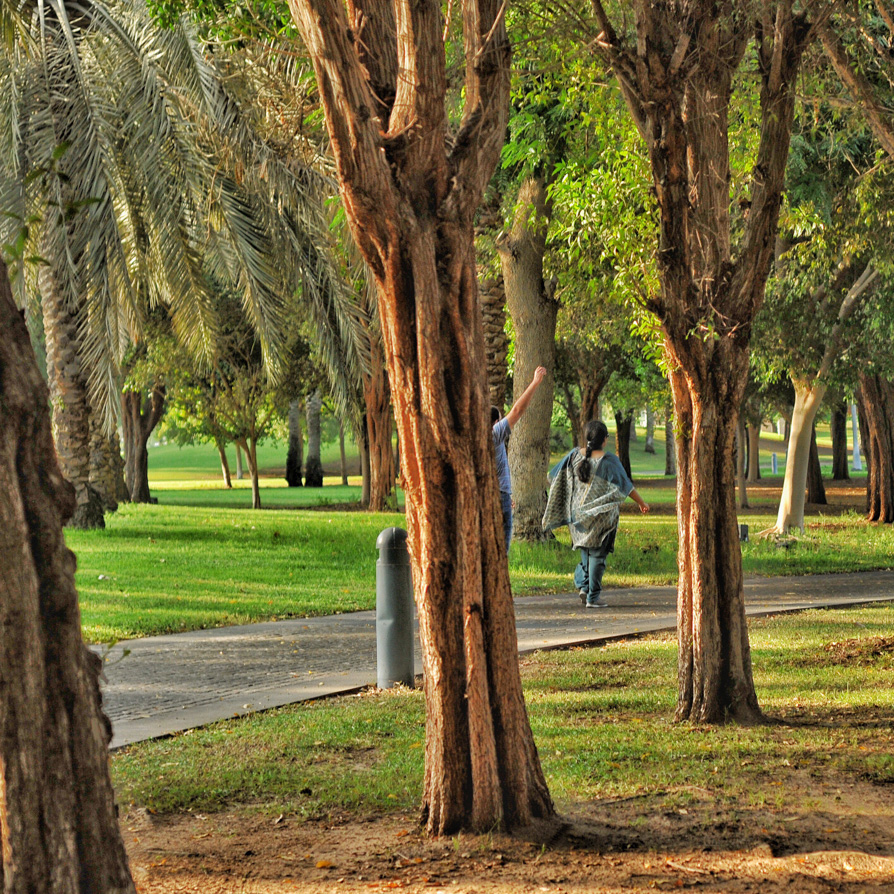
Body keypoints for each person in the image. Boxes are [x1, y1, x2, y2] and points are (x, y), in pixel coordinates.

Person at [542, 419, 649, 607]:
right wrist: (641, 503)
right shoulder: (609, 461)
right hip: (602, 517)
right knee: (598, 556)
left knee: (585, 553)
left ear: (587, 437)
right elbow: (626, 486)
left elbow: (554, 477)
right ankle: (593, 597)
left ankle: (584, 587)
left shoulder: (574, 456)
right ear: (605, 440)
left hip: (578, 516)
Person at [492, 366, 548, 553]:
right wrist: (535, 382)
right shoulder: (493, 434)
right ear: (495, 422)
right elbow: (517, 410)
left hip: (487, 496)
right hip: (498, 497)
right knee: (501, 553)